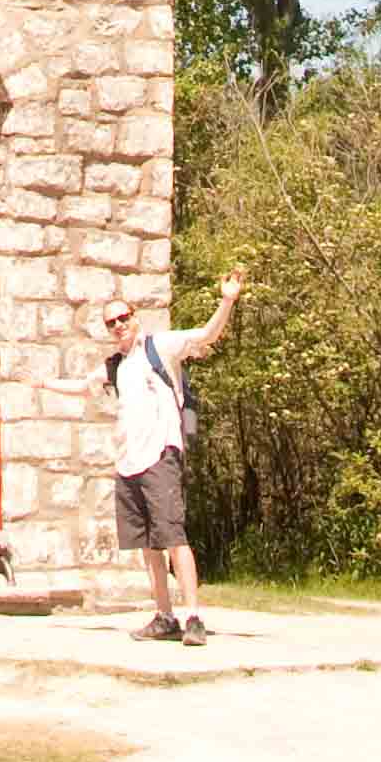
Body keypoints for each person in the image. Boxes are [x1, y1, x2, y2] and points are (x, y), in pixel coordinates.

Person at [101, 270, 245, 644]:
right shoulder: (115, 365)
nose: (118, 326)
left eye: (123, 318)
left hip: (161, 455)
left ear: (135, 318)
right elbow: (78, 385)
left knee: (174, 537)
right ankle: (164, 616)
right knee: (149, 545)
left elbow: (206, 335)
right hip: (129, 462)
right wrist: (35, 383)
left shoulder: (159, 346)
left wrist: (227, 299)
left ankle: (193, 616)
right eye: (111, 322)